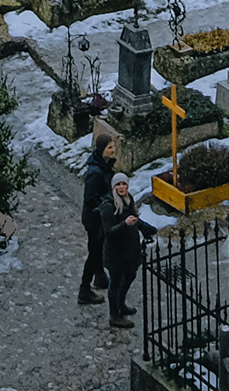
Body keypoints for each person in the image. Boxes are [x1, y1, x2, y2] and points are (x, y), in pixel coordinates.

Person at [102, 175, 147, 330]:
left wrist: (144, 228)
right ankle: (114, 315)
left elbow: (135, 218)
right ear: (113, 187)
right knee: (114, 283)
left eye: (124, 184)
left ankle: (121, 304)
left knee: (130, 276)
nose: (121, 187)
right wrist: (124, 224)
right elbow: (109, 231)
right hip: (116, 253)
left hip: (130, 250)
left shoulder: (129, 200)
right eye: (118, 185)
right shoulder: (108, 206)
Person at [77, 136, 119, 306]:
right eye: (110, 147)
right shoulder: (96, 173)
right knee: (94, 253)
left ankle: (100, 276)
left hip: (97, 218)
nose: (113, 150)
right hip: (95, 219)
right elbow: (90, 199)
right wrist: (104, 207)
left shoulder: (103, 166)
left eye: (113, 146)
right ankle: (84, 289)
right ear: (102, 150)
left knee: (98, 247)